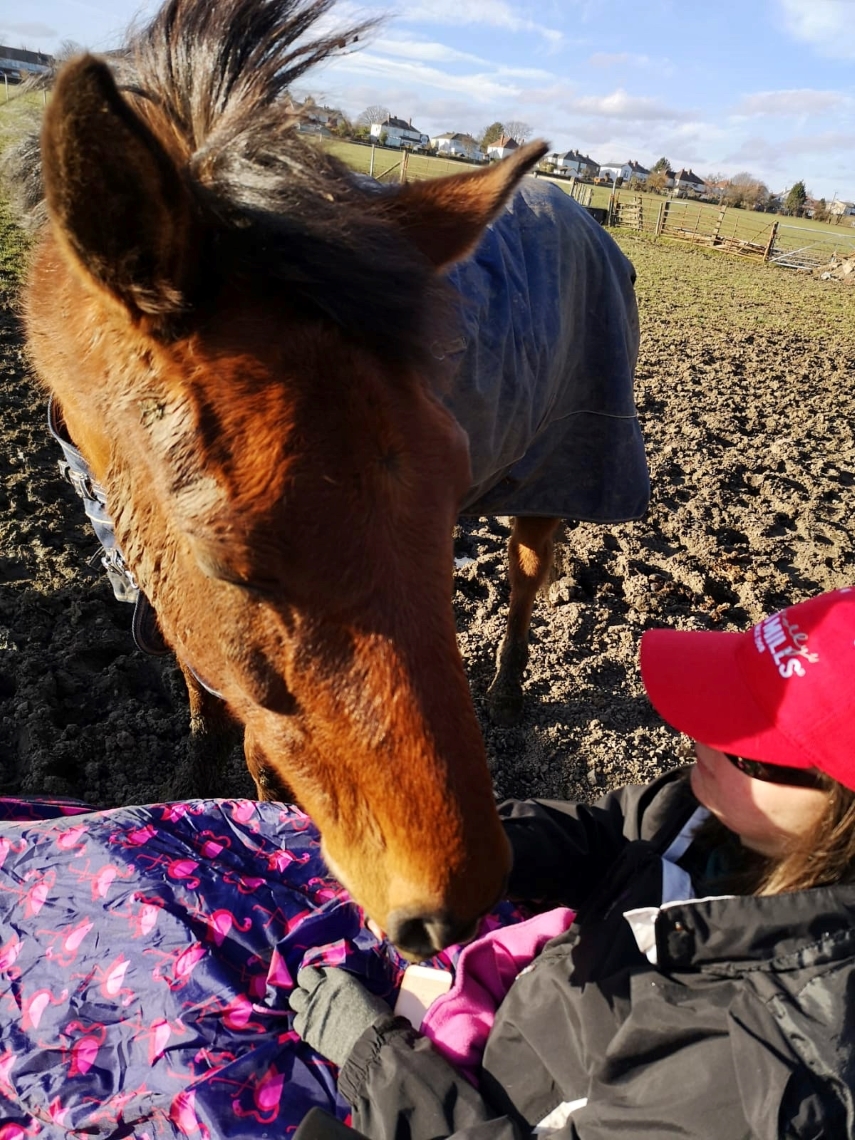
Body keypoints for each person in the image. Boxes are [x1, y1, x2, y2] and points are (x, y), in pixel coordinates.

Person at [289, 585, 855, 1139]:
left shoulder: (759, 1073)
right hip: (529, 1031)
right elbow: (616, 834)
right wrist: (475, 858)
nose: (696, 736)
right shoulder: (724, 817)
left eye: (743, 743)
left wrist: (373, 1054)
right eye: (721, 700)